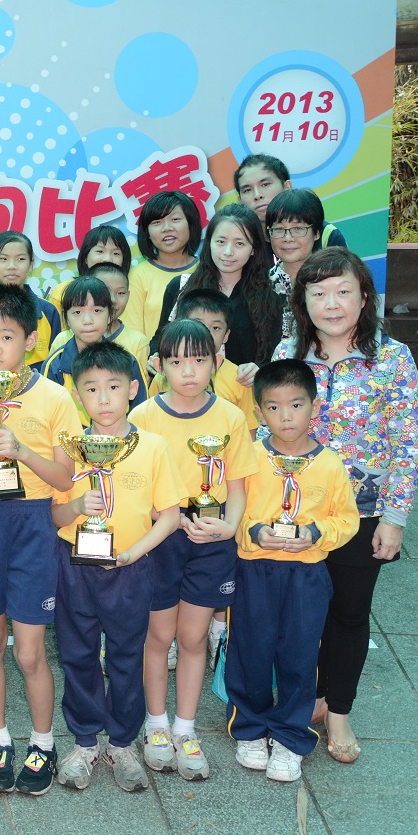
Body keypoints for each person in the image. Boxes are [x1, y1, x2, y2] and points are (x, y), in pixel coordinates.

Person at [270, 248, 418, 764]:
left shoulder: (392, 358)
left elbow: (406, 445)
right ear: (303, 300)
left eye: (342, 292)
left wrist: (395, 520)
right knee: (297, 612)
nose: (331, 304)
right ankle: (306, 697)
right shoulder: (288, 351)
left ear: (364, 297)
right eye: (319, 293)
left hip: (363, 511)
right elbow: (270, 426)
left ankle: (339, 710)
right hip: (297, 510)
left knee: (349, 612)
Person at [0, 286, 78, 795]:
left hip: (33, 523)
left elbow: (66, 477)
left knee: (28, 651)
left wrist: (21, 450)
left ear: (30, 340)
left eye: (6, 336)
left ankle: (43, 743)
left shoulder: (55, 397)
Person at [130, 319, 258, 782]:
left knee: (193, 637)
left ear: (217, 362)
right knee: (158, 636)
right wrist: (165, 518)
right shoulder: (144, 416)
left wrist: (229, 527)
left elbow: (238, 485)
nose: (188, 371)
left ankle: (185, 729)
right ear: (159, 365)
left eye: (199, 360)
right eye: (177, 361)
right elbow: (133, 485)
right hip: (162, 537)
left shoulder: (231, 417)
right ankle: (156, 725)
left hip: (212, 539)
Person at [51, 341, 181, 794]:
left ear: (132, 389)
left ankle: (122, 742)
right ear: (77, 395)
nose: (103, 398)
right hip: (76, 567)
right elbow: (56, 515)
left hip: (130, 568)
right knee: (77, 654)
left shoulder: (153, 447)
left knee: (127, 656)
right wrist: (75, 507)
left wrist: (134, 553)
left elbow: (169, 515)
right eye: (91, 388)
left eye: (113, 386)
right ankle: (86, 741)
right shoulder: (71, 448)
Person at [229, 359, 359, 783]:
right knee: (250, 651)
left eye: (296, 405)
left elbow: (348, 519)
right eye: (273, 407)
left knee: (300, 658)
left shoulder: (330, 464)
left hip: (307, 575)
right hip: (255, 570)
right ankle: (250, 728)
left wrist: (316, 533)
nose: (285, 416)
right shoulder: (248, 458)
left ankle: (289, 736)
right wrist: (254, 531)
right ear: (259, 411)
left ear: (315, 407)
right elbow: (232, 509)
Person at [155, 204, 283, 370]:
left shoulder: (269, 298)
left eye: (239, 244)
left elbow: (273, 357)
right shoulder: (181, 287)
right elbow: (160, 339)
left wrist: (258, 370)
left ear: (253, 249)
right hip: (189, 382)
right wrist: (154, 357)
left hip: (241, 385)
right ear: (209, 243)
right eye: (221, 242)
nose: (228, 252)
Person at [151, 290, 259, 436]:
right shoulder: (164, 376)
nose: (206, 333)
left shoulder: (239, 378)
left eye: (216, 328)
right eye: (198, 324)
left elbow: (249, 433)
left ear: (226, 335)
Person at [43, 276, 146, 421]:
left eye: (97, 310)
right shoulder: (55, 364)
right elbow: (48, 416)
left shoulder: (129, 361)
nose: (88, 321)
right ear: (66, 319)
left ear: (110, 315)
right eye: (77, 312)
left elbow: (140, 414)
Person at [125, 191, 201, 339]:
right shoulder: (137, 276)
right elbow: (133, 339)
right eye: (157, 222)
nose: (167, 228)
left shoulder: (207, 270)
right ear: (147, 232)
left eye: (175, 219)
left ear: (191, 224)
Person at [265, 188, 335, 346]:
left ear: (316, 233)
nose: (287, 238)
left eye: (298, 229)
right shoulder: (261, 284)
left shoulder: (333, 282)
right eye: (279, 229)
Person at [234, 154, 347, 248]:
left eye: (265, 184)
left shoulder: (325, 235)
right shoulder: (238, 241)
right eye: (247, 190)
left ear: (287, 187)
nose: (257, 195)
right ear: (240, 201)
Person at [0, 231, 61, 368]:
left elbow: (56, 363)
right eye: (3, 259)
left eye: (20, 259)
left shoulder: (48, 311)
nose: (12, 266)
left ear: (31, 264)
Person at [48, 225, 132, 319]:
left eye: (116, 253)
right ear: (85, 258)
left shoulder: (129, 292)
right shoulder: (64, 291)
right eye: (100, 251)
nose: (108, 259)